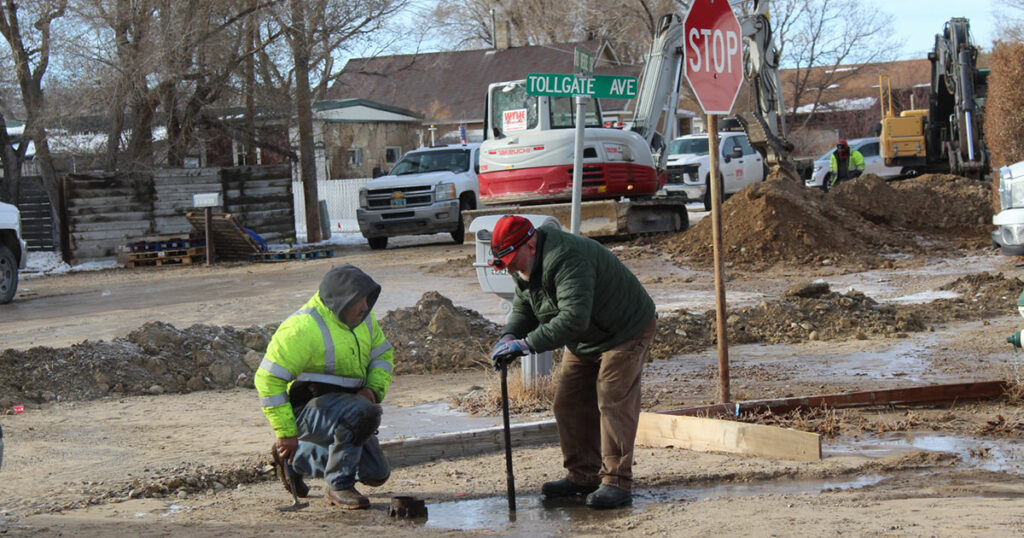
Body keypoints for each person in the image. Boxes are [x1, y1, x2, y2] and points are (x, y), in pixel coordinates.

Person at [487, 215, 657, 509]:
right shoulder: (522, 264)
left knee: (612, 398)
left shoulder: (566, 257)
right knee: (568, 402)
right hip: (587, 336)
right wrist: (509, 335)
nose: (511, 268)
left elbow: (573, 318)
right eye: (507, 264)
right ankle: (583, 475)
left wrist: (527, 344)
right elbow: (525, 304)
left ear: (531, 244)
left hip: (624, 329)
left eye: (514, 261)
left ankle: (617, 481)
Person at [255, 264, 394, 510]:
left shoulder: (365, 319)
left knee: (376, 473)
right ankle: (338, 485)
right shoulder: (302, 328)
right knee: (363, 413)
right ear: (341, 301)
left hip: (349, 407)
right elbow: (268, 380)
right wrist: (286, 433)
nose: (365, 306)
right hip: (307, 410)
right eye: (358, 301)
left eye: (366, 299)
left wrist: (372, 388)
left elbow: (382, 356)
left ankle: (292, 460)